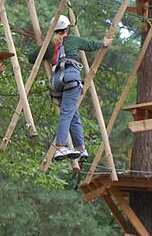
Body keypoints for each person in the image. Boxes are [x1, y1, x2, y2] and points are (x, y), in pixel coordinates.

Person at [29, 15, 110, 162]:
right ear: (66, 29)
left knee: (73, 114)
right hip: (71, 77)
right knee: (67, 113)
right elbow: (91, 45)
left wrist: (44, 45)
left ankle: (81, 148)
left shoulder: (49, 45)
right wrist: (104, 43)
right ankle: (60, 146)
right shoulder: (71, 40)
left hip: (57, 82)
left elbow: (31, 58)